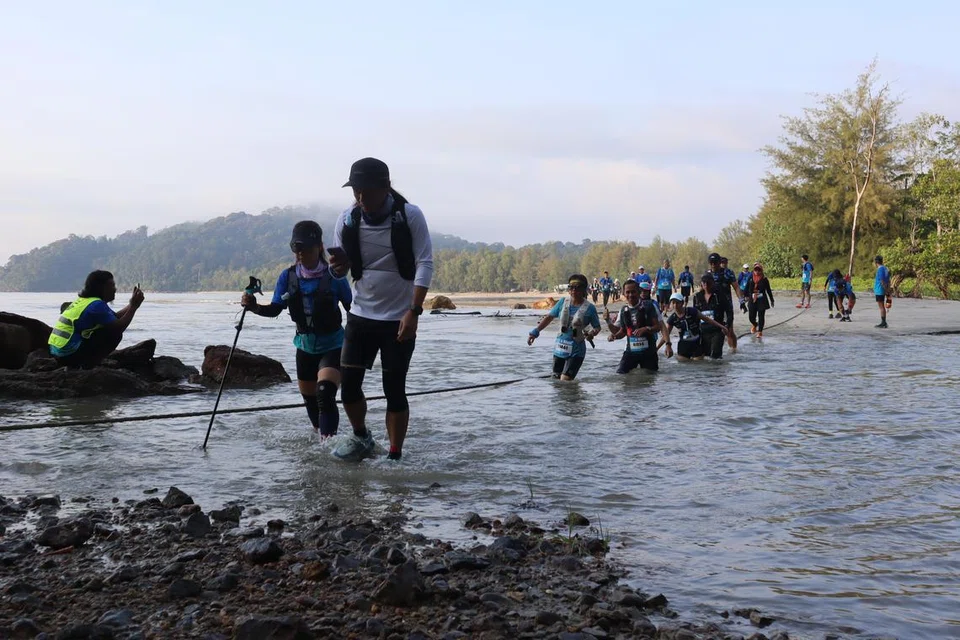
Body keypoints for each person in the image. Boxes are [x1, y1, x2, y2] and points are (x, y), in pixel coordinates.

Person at [328, 157, 434, 462]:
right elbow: (339, 274)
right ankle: (361, 436)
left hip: (398, 318)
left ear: (386, 187)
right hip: (361, 315)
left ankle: (395, 454)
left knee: (394, 389)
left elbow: (424, 262)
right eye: (356, 191)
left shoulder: (409, 215)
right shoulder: (347, 220)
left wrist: (414, 311)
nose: (361, 198)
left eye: (367, 191)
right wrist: (338, 268)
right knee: (348, 388)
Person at [242, 221, 352, 437]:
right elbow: (275, 310)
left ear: (319, 247)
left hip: (334, 345)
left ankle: (329, 446)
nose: (300, 254)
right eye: (296, 249)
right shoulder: (288, 277)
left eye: (306, 248)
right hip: (304, 347)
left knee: (324, 393)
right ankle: (322, 443)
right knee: (311, 403)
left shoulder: (335, 277)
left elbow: (353, 308)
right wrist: (253, 306)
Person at [48, 270, 144, 369]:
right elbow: (118, 328)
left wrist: (132, 304)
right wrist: (133, 307)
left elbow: (114, 316)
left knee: (106, 330)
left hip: (56, 351)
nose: (115, 289)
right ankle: (86, 367)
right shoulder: (96, 305)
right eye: (111, 286)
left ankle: (76, 366)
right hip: (67, 353)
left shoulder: (85, 301)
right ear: (102, 288)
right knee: (114, 335)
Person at [528, 274, 601, 381]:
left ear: (584, 289)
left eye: (577, 287)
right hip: (560, 349)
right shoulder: (562, 302)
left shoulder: (590, 308)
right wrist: (535, 332)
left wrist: (591, 333)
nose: (574, 291)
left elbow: (597, 327)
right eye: (571, 287)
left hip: (577, 351)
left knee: (565, 380)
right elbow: (549, 318)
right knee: (557, 382)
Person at [604, 279, 660, 373]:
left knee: (650, 378)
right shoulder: (623, 310)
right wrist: (614, 336)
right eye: (628, 292)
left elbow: (657, 327)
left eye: (633, 292)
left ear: (638, 292)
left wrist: (646, 329)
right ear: (623, 293)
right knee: (620, 374)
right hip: (631, 352)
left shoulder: (649, 306)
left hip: (648, 352)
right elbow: (623, 332)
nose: (630, 295)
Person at [663, 292, 728, 361]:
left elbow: (707, 319)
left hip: (697, 344)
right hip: (683, 346)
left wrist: (722, 327)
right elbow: (665, 334)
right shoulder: (672, 318)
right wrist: (658, 348)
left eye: (677, 303)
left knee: (698, 366)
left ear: (682, 303)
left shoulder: (692, 311)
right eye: (673, 303)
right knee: (683, 367)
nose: (675, 305)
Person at [705, 253, 740, 347]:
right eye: (711, 262)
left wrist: (741, 300)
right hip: (713, 306)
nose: (713, 265)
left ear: (719, 262)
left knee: (729, 330)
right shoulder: (707, 274)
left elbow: (736, 287)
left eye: (715, 262)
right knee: (713, 330)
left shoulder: (728, 273)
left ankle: (733, 350)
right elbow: (703, 290)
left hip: (726, 306)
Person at [693, 274, 728, 359]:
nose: (706, 285)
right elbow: (694, 314)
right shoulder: (697, 297)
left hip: (717, 330)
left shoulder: (720, 296)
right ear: (701, 284)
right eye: (704, 283)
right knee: (705, 356)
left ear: (713, 283)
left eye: (708, 283)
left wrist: (728, 325)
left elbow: (728, 311)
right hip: (703, 331)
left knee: (715, 356)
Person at [744, 262, 775, 337]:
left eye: (759, 270)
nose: (757, 272)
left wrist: (772, 300)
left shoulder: (764, 279)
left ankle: (760, 331)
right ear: (753, 270)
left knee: (761, 315)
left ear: (761, 270)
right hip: (752, 299)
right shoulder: (750, 277)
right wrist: (745, 296)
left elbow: (768, 290)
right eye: (755, 270)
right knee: (751, 316)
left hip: (761, 299)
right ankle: (755, 324)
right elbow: (746, 288)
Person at [873, 255, 891, 328]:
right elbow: (888, 280)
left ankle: (883, 322)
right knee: (882, 306)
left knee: (881, 307)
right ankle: (884, 322)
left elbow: (882, 281)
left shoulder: (880, 269)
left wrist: (886, 290)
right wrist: (888, 289)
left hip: (880, 290)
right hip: (883, 289)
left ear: (876, 262)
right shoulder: (886, 269)